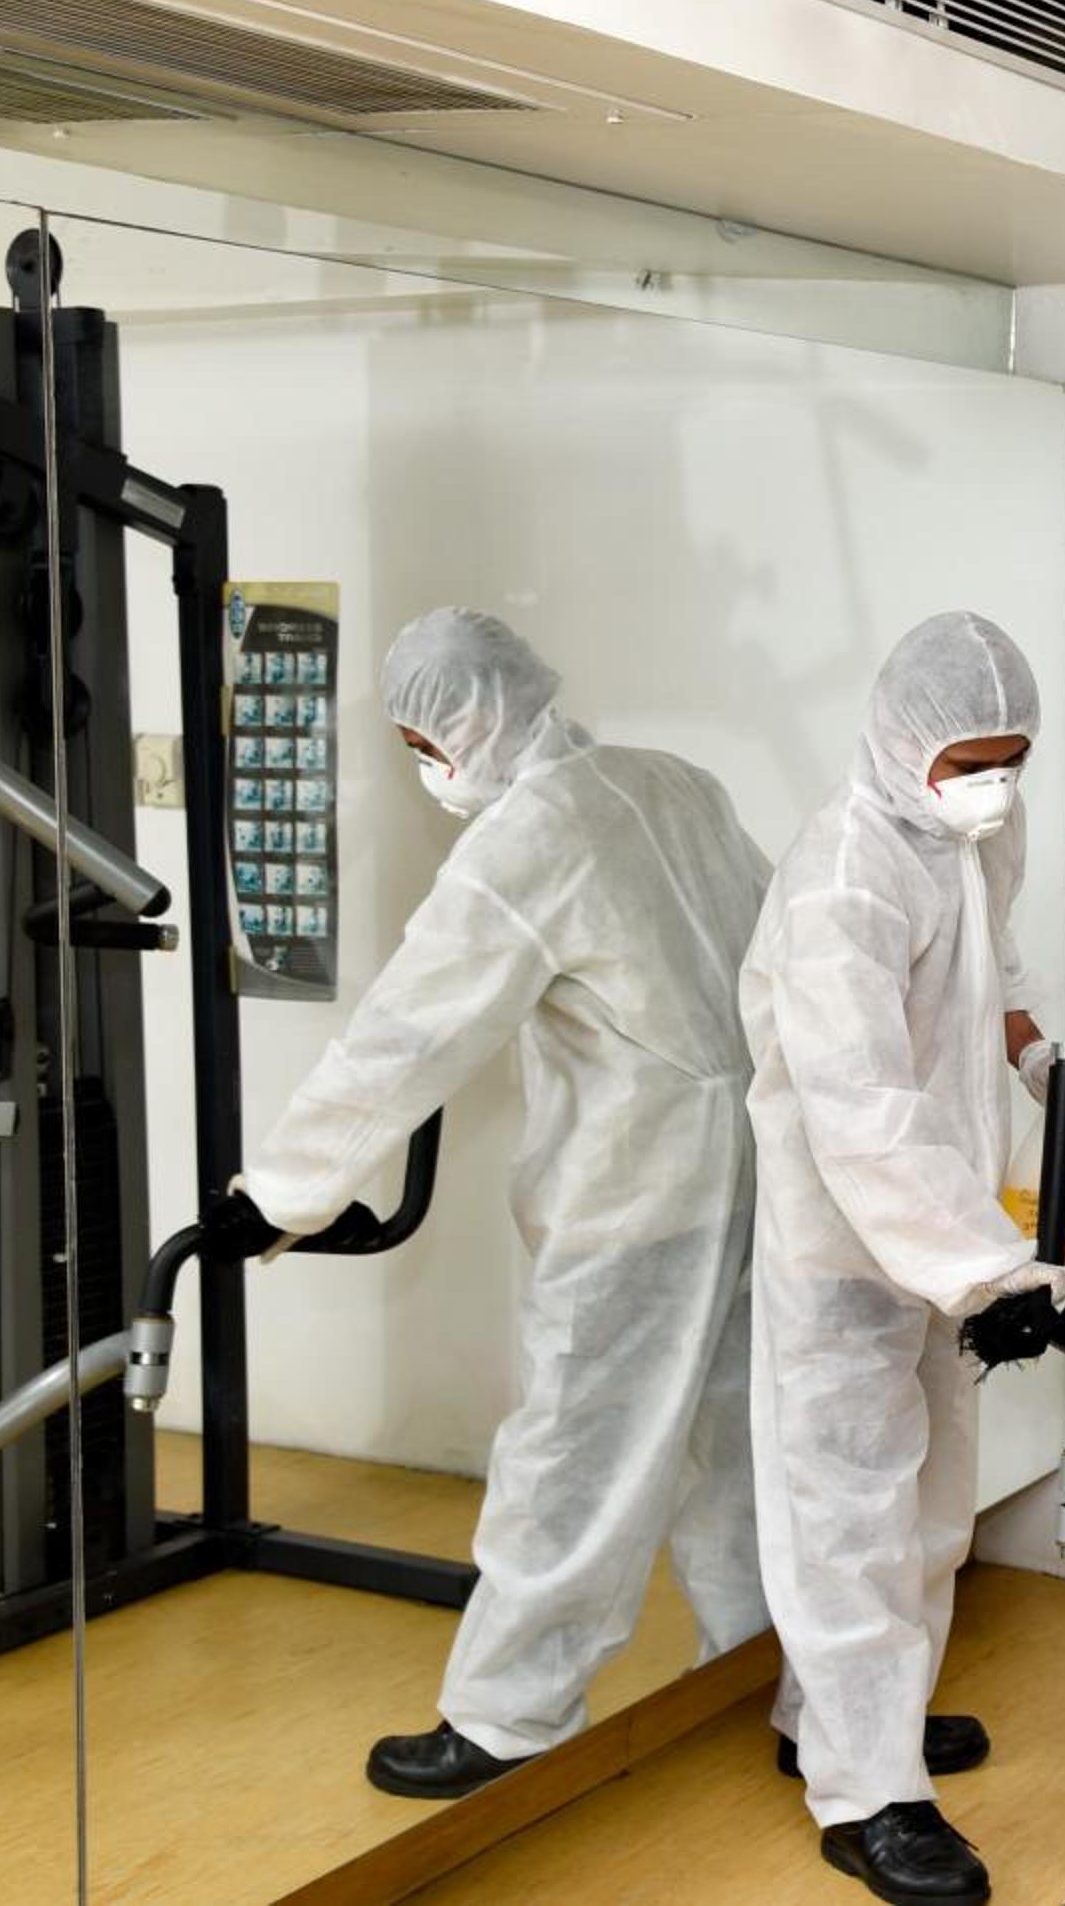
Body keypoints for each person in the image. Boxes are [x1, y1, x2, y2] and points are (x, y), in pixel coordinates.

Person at [240, 608, 772, 1798]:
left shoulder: (528, 837)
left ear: (466, 722)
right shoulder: (673, 781)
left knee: (572, 1452)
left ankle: (506, 1719)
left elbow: (406, 1033)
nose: (427, 769)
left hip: (635, 1188)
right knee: (749, 1444)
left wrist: (281, 1192)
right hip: (754, 1166)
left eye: (421, 745)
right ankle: (772, 1672)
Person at [745, 611, 1065, 1904]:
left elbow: (987, 956)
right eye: (973, 762)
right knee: (850, 1510)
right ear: (904, 742)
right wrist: (991, 1269)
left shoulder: (969, 826)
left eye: (1015, 759)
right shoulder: (840, 879)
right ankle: (868, 1794)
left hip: (948, 1210)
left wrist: (1033, 1053)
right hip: (844, 1234)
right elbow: (857, 1109)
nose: (997, 785)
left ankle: (843, 1715)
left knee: (933, 1498)